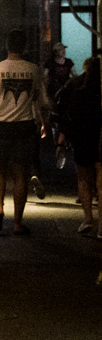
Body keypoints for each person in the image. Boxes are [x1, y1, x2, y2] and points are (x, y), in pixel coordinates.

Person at [0, 28, 51, 235]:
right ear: (25, 47)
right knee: (21, 173)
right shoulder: (34, 70)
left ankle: (0, 209)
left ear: (6, 46)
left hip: (0, 125)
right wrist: (44, 124)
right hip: (24, 126)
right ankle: (18, 224)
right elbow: (43, 103)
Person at [54, 56, 102, 236]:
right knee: (101, 181)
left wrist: (61, 141)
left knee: (84, 179)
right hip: (100, 136)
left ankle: (88, 218)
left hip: (82, 137)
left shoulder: (76, 86)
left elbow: (64, 113)